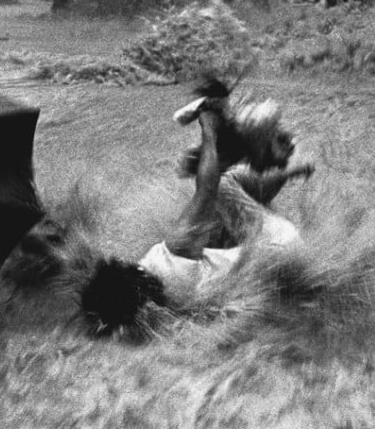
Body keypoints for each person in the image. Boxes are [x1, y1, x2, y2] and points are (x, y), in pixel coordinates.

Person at [79, 93, 312, 334]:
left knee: (220, 221)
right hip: (282, 244)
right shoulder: (172, 257)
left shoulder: (166, 304)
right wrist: (208, 131)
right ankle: (261, 145)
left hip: (282, 270)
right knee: (223, 185)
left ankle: (276, 162)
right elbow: (208, 189)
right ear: (122, 271)